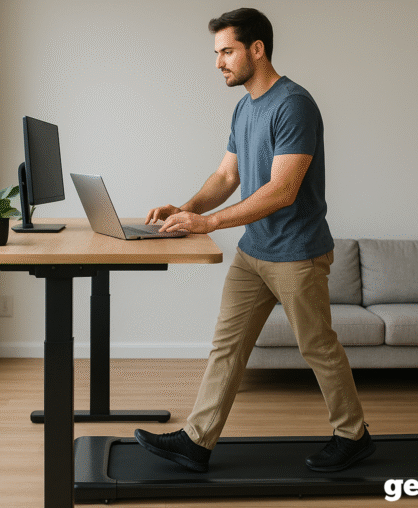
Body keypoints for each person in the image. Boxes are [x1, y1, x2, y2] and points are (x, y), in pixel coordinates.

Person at [135, 7, 374, 473]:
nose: (218, 62)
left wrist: (209, 225)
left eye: (227, 51)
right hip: (254, 252)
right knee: (227, 345)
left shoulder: (293, 104)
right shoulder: (245, 106)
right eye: (217, 53)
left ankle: (354, 435)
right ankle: (196, 440)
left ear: (257, 50)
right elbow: (227, 175)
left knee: (318, 347)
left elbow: (283, 190)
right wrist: (187, 209)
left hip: (297, 252)